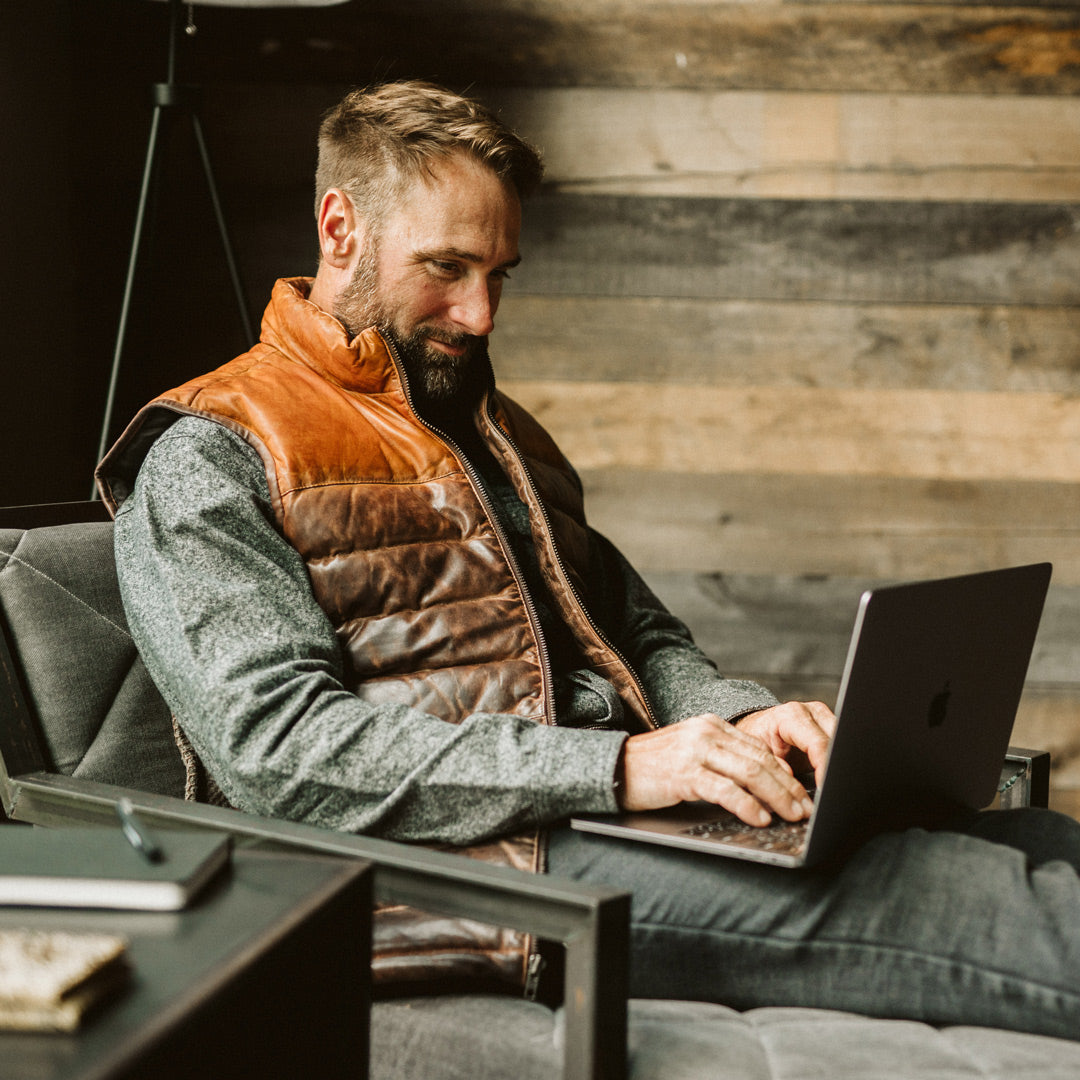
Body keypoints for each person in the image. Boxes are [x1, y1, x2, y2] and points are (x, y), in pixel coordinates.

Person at [97, 81, 1080, 1039]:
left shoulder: (495, 429)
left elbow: (637, 633)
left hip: (609, 819)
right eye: (446, 266)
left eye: (499, 275)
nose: (480, 315)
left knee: (1045, 845)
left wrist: (733, 719)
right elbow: (281, 755)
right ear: (341, 227)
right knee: (999, 912)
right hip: (462, 879)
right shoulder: (207, 452)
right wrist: (620, 767)